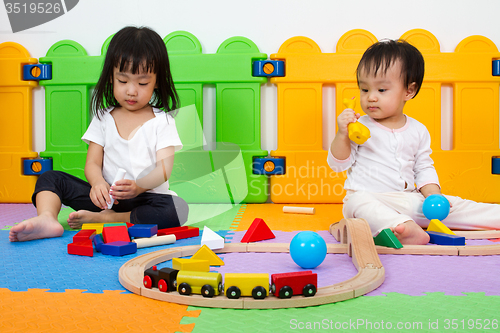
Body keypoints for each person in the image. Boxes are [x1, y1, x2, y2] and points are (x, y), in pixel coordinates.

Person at [9, 26, 189, 242]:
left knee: (177, 209)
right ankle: (47, 218)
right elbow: (92, 163)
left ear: (157, 81)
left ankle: (107, 219)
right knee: (50, 178)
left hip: (146, 199)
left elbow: (163, 170)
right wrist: (97, 184)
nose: (132, 91)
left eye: (142, 83)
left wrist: (139, 186)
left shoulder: (163, 121)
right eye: (123, 81)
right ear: (111, 77)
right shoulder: (104, 117)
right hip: (105, 198)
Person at [328, 39, 500, 245]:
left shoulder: (418, 130)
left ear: (408, 91)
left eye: (381, 90)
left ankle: (493, 215)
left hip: (407, 199)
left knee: (454, 206)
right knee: (357, 204)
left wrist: (434, 196)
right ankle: (404, 227)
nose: (371, 97)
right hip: (369, 197)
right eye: (364, 90)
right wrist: (341, 134)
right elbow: (338, 164)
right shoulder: (358, 127)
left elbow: (424, 168)